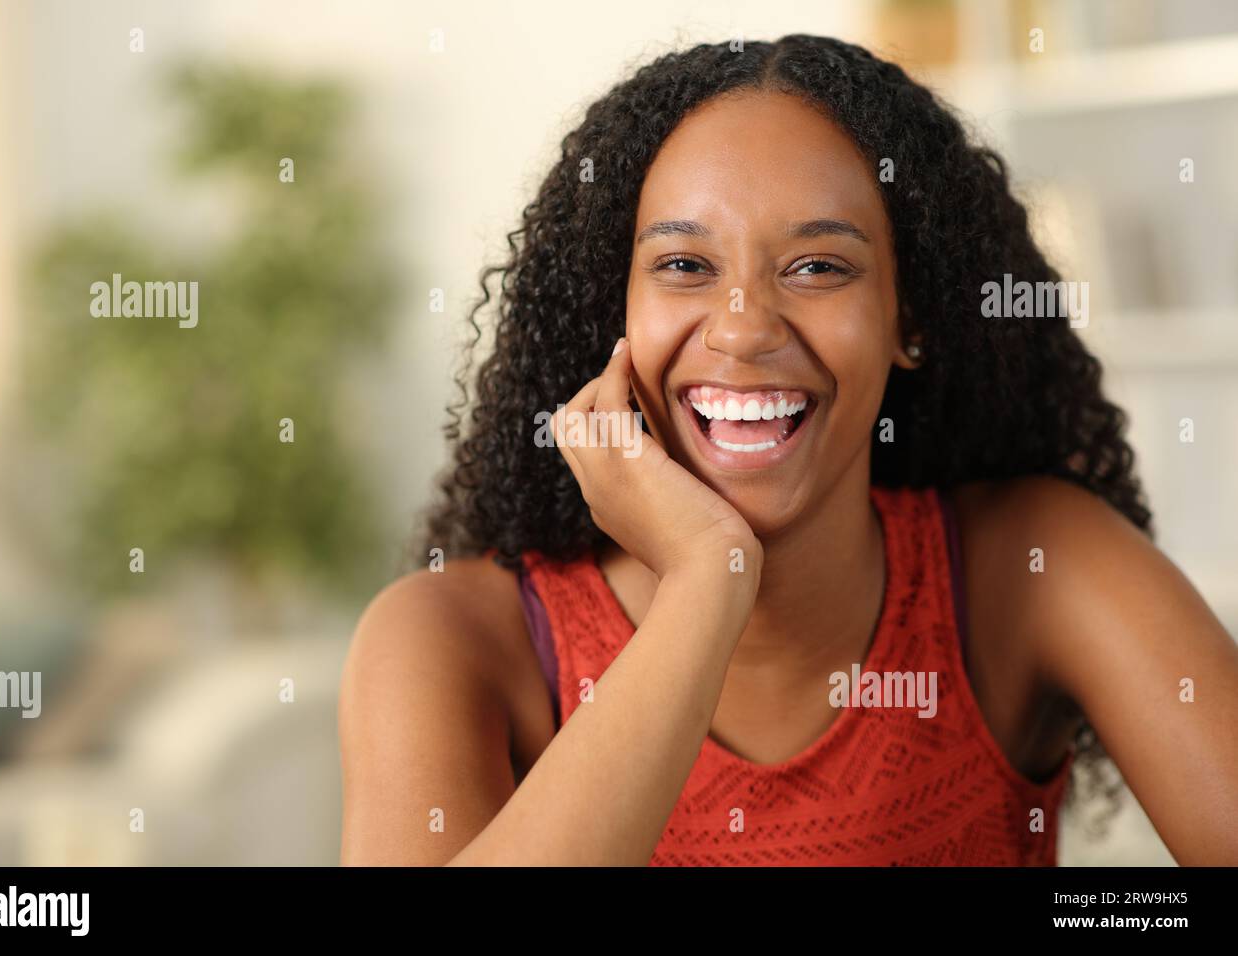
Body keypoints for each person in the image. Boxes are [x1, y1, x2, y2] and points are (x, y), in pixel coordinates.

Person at [339, 34, 1238, 866]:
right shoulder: (451, 640)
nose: (744, 329)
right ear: (616, 314)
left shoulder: (1036, 567)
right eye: (685, 266)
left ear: (909, 320)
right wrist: (705, 579)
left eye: (818, 267)